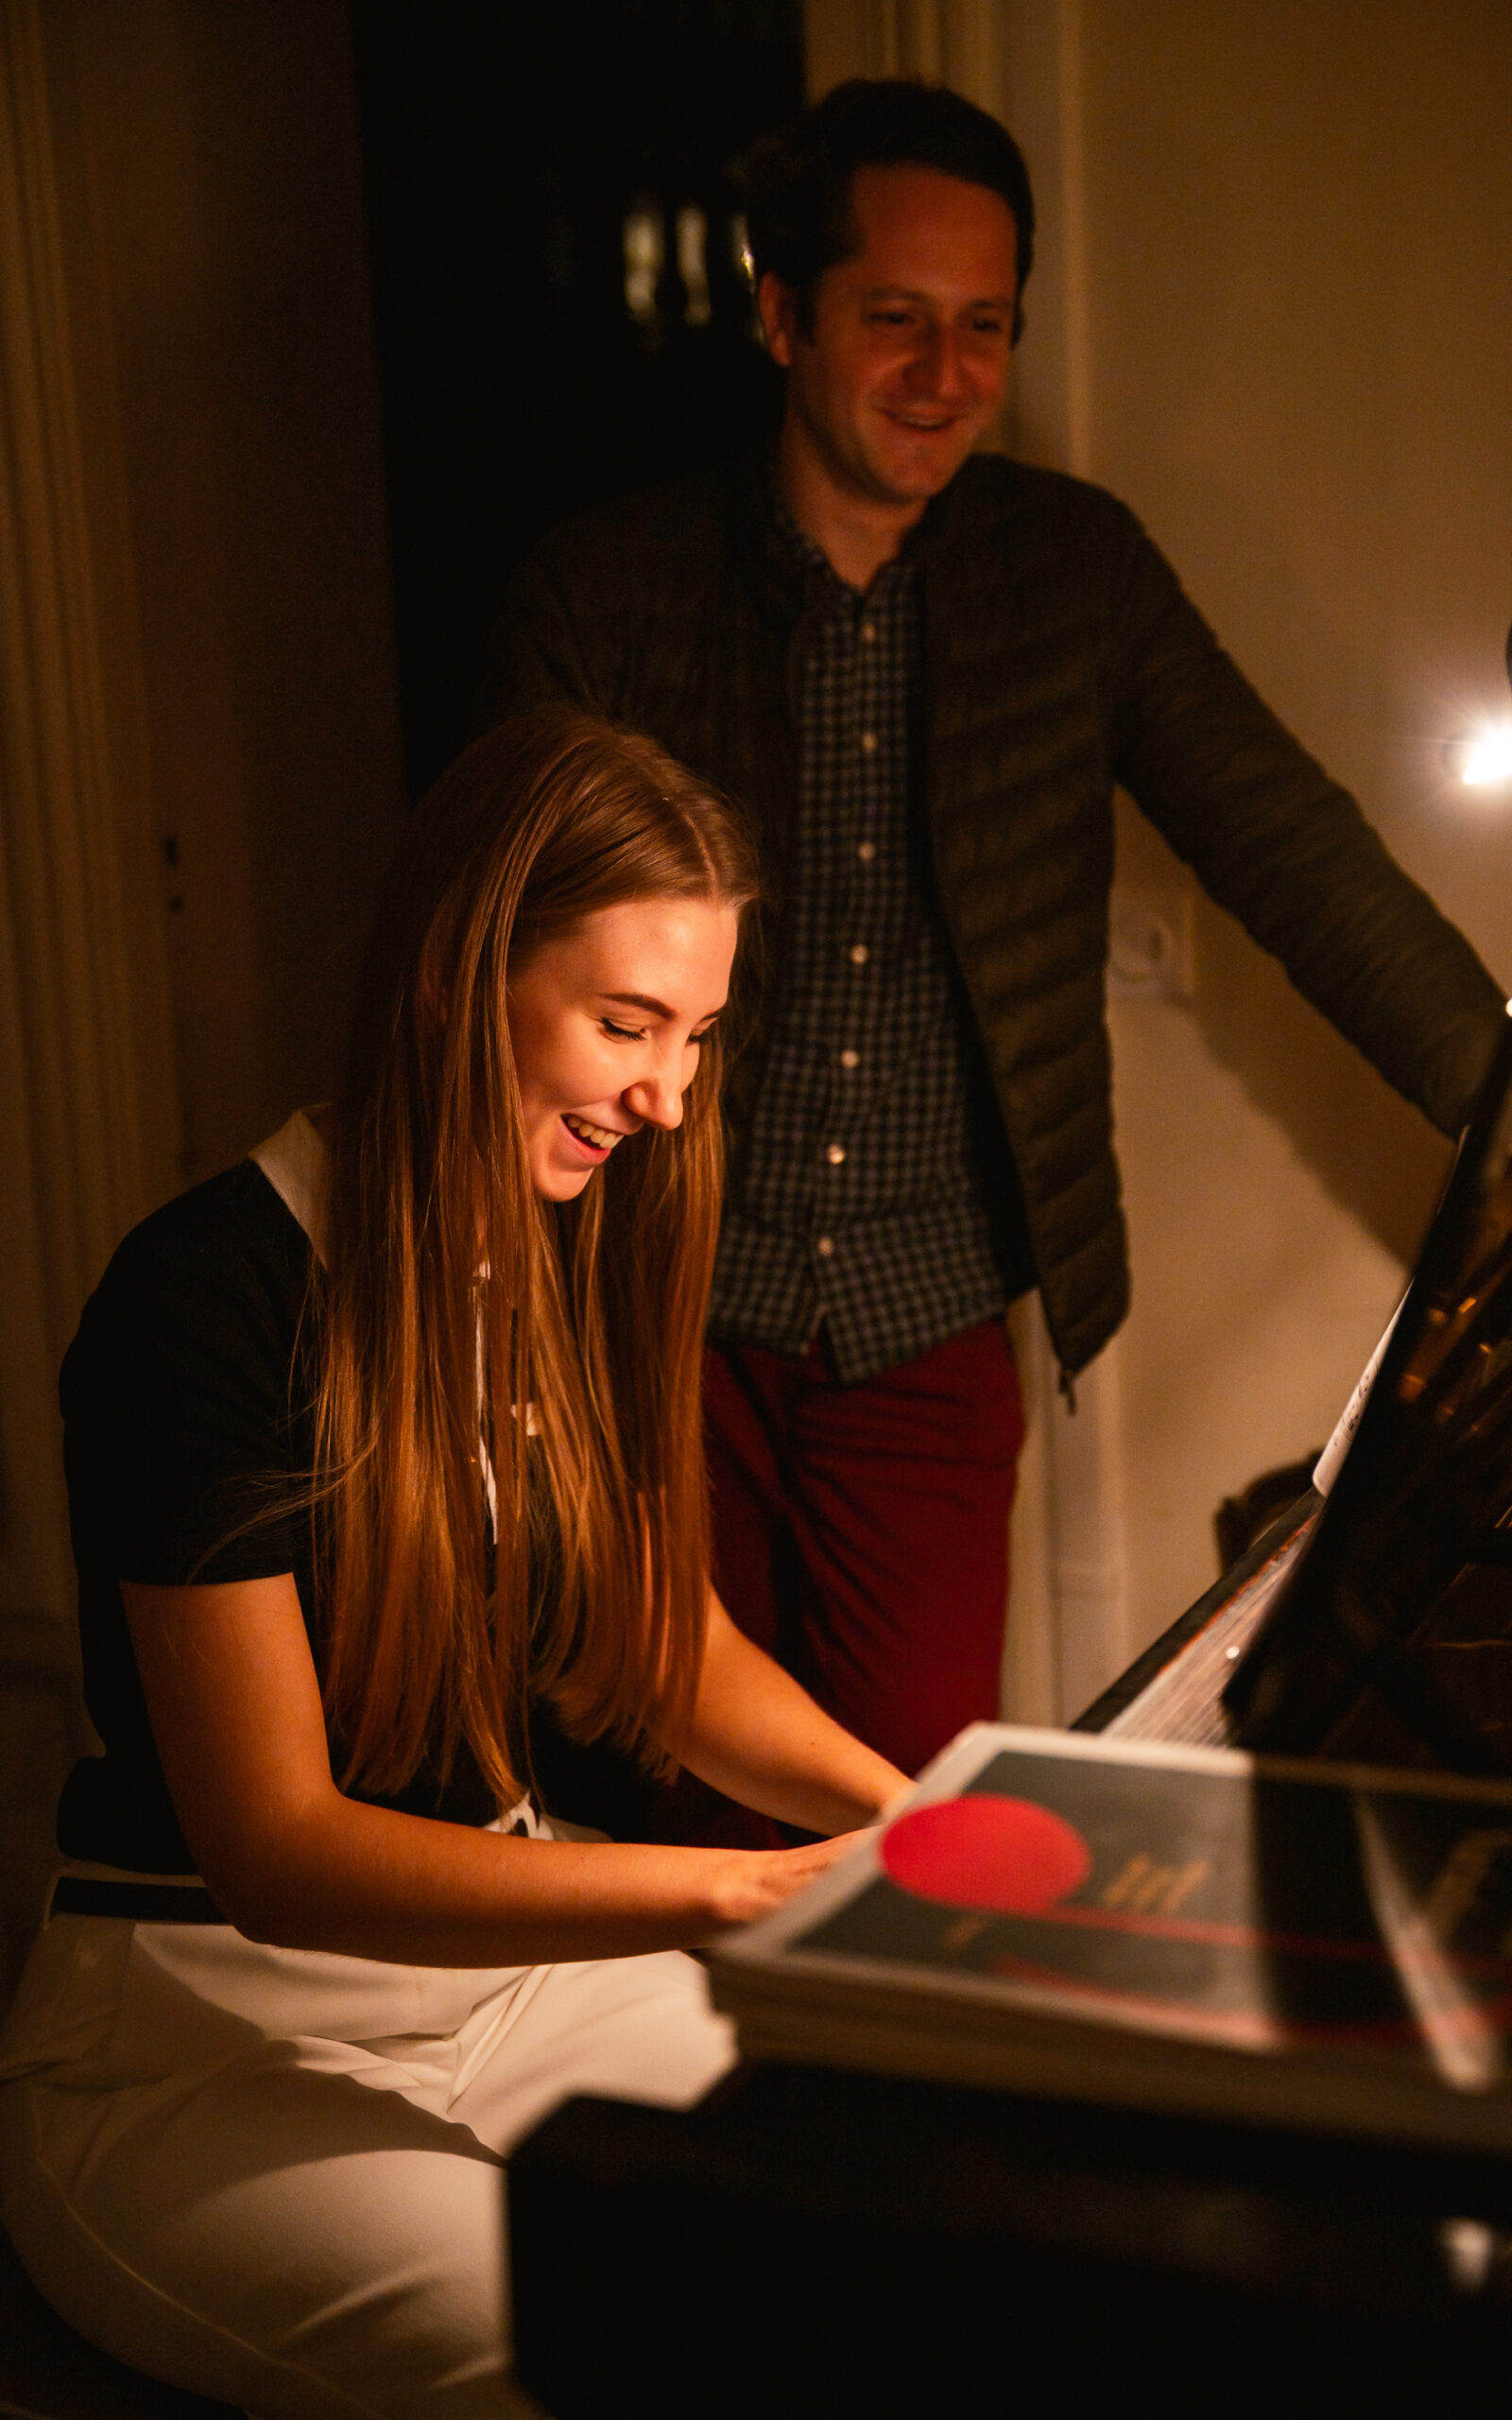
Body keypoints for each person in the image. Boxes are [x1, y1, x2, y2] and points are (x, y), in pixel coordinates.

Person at [476, 79, 1505, 1829]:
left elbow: (1294, 852)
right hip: (645, 1294)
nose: (945, 375)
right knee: (649, 1788)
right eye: (896, 318)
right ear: (782, 314)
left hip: (928, 1316)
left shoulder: (1074, 571)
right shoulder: (604, 584)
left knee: (900, 1810)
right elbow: (487, 952)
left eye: (984, 326)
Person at [0, 709, 907, 2420]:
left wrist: (918, 1821)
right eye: (625, 1024)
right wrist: (738, 1893)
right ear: (455, 976)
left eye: (698, 1035)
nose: (668, 1096)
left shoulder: (557, 1250)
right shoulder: (202, 1303)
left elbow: (660, 1652)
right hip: (201, 2031)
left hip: (500, 1992)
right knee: (597, 2356)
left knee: (926, 2213)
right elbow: (281, 1853)